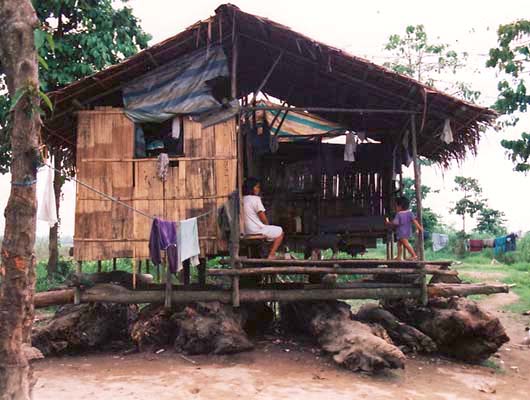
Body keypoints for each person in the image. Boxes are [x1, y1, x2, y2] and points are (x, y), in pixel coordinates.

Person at [243, 177, 284, 259]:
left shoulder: (242, 199)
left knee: (269, 232)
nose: (258, 189)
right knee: (280, 232)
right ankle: (271, 255)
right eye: (257, 187)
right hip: (256, 230)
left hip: (245, 230)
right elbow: (263, 217)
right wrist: (267, 225)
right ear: (251, 188)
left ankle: (264, 254)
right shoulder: (256, 199)